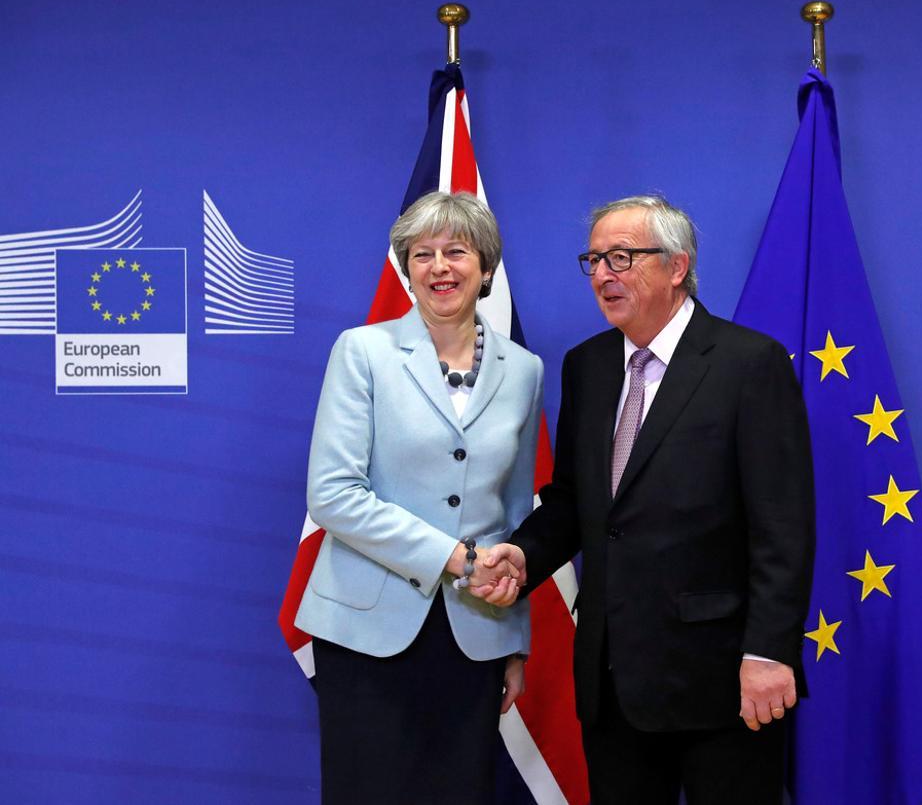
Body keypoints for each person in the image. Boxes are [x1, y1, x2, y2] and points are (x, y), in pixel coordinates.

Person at [475, 195, 814, 804]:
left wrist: (768, 652)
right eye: (595, 259)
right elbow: (578, 503)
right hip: (613, 679)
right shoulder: (587, 365)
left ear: (677, 266)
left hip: (725, 681)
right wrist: (524, 556)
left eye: (623, 257)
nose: (604, 274)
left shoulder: (749, 364)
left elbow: (782, 527)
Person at [295, 190, 536, 804]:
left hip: (476, 634)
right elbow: (334, 495)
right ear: (406, 270)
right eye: (421, 255)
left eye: (456, 251)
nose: (439, 267)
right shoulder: (364, 352)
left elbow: (513, 516)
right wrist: (458, 559)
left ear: (485, 267)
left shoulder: (525, 370)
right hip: (365, 630)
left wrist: (514, 640)